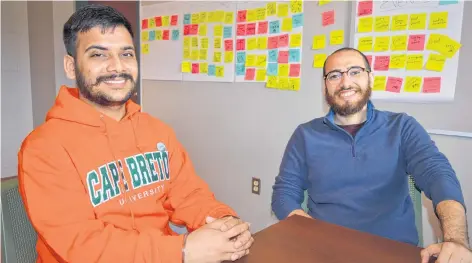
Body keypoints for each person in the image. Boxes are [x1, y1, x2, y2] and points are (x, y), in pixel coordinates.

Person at [18, 5, 253, 263]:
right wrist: (182, 251)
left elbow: (189, 196)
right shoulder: (43, 148)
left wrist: (225, 222)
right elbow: (82, 245)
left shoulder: (158, 131)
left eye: (126, 54)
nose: (117, 67)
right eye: (98, 55)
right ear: (71, 67)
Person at [271, 47, 471, 263]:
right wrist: (307, 230)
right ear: (325, 85)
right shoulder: (305, 134)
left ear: (370, 78)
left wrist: (456, 239)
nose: (345, 82)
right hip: (323, 251)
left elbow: (438, 175)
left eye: (355, 71)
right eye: (334, 75)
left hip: (391, 253)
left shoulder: (402, 127)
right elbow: (284, 193)